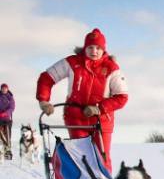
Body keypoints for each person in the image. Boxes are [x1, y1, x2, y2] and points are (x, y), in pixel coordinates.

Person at [36, 28, 128, 170]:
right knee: (81, 157)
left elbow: (122, 97)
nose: (94, 51)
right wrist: (44, 100)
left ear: (103, 49)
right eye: (90, 47)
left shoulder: (111, 68)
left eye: (98, 48)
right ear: (85, 48)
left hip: (102, 120)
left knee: (102, 157)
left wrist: (99, 108)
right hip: (76, 118)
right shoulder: (72, 63)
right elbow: (46, 78)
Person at [0, 83, 14, 160]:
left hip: (7, 119)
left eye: (5, 88)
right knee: (1, 134)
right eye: (2, 88)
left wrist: (5, 113)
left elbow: (12, 107)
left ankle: (8, 151)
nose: (4, 89)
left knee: (8, 134)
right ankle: (3, 149)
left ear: (7, 89)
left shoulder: (10, 97)